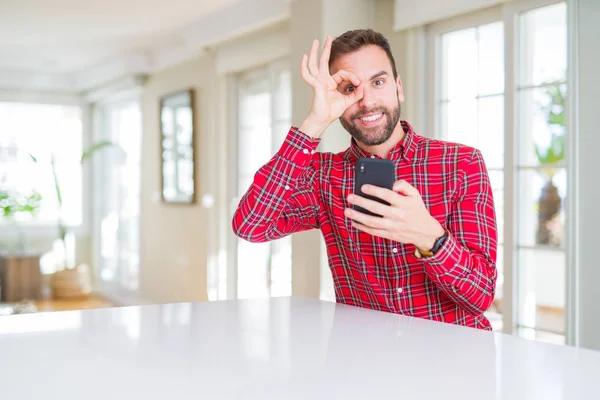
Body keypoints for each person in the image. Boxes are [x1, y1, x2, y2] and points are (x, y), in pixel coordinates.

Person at [232, 29, 497, 330]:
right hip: (363, 362)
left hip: (454, 363)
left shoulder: (461, 164)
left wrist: (429, 237)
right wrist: (314, 123)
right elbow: (251, 225)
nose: (367, 101)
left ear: (399, 87)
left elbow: (480, 296)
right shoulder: (324, 176)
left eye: (378, 82)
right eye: (349, 89)